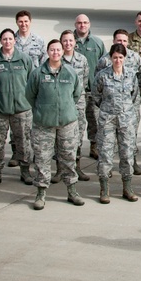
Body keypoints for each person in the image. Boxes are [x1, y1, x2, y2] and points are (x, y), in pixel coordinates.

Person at [26, 39, 85, 209]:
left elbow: (76, 93)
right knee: (42, 158)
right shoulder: (37, 74)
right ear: (48, 52)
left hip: (67, 123)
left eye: (58, 50)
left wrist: (65, 108)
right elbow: (30, 95)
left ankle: (72, 191)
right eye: (52, 50)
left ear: (62, 52)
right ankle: (41, 193)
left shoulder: (70, 72)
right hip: (44, 124)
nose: (56, 53)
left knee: (68, 157)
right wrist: (44, 110)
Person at [0, 28, 34, 187]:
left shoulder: (24, 60)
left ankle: (25, 171)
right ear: (0, 41)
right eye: (4, 39)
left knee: (24, 143)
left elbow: (32, 83)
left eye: (10, 39)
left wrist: (28, 102)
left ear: (15, 40)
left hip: (22, 110)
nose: (8, 42)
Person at [92, 43, 141, 203]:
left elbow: (134, 95)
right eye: (115, 57)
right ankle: (104, 189)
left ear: (125, 58)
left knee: (127, 154)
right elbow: (96, 95)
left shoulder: (131, 75)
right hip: (108, 121)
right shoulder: (102, 75)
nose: (118, 60)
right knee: (105, 155)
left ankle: (127, 188)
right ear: (110, 58)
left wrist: (125, 111)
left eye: (120, 57)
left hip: (126, 121)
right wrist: (107, 109)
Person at [60, 29, 91, 182]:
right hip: (60, 104)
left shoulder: (82, 60)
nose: (68, 43)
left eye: (70, 40)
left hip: (78, 103)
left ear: (75, 42)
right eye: (65, 41)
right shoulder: (56, 59)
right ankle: (61, 169)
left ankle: (76, 166)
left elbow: (84, 81)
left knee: (77, 135)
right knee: (59, 136)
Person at [73, 14, 105, 160]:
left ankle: (94, 146)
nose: (82, 25)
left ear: (89, 24)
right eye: (79, 23)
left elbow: (104, 65)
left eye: (85, 22)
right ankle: (76, 149)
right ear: (75, 24)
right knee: (76, 123)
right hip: (75, 93)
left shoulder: (97, 43)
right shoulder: (69, 41)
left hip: (92, 91)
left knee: (94, 120)